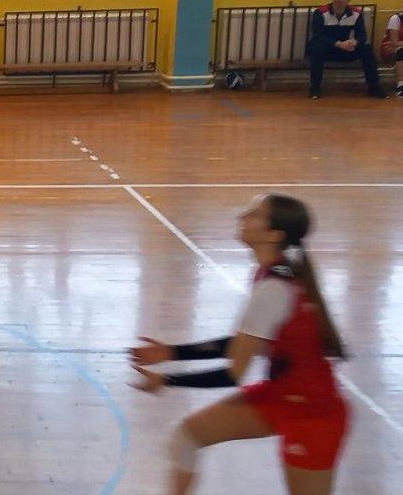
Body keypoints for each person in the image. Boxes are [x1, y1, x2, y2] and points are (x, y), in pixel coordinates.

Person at [130, 194, 348, 495]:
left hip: (313, 413)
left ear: (274, 235)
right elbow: (244, 341)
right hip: (280, 395)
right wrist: (171, 352)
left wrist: (167, 379)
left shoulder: (273, 288)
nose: (243, 217)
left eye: (255, 215)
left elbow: (234, 373)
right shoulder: (273, 273)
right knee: (187, 437)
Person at [307, 0, 385, 100]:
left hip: (345, 49)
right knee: (316, 48)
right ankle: (314, 88)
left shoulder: (356, 13)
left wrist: (355, 42)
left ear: (348, 0)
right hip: (326, 49)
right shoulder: (320, 12)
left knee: (366, 49)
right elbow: (317, 36)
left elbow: (362, 35)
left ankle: (374, 87)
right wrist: (338, 44)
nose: (337, 0)